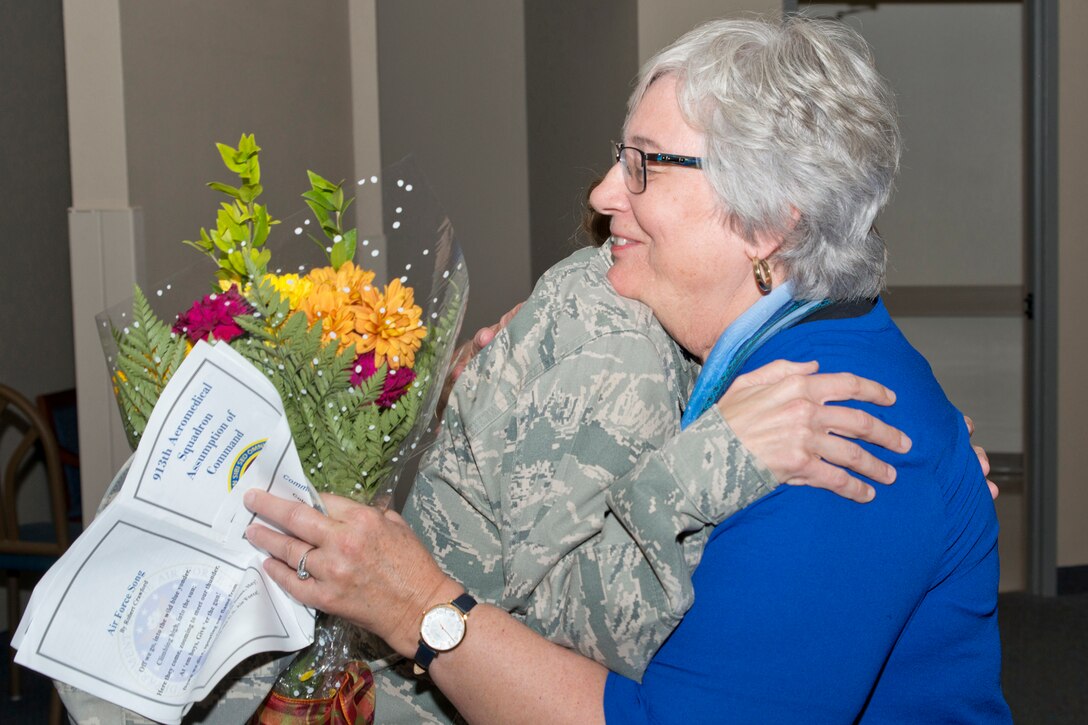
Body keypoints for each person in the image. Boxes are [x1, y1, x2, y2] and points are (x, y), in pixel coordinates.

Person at [246, 15, 1011, 723]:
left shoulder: (838, 438)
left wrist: (416, 603)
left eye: (646, 165)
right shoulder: (752, 359)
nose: (604, 193)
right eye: (620, 158)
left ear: (770, 219)